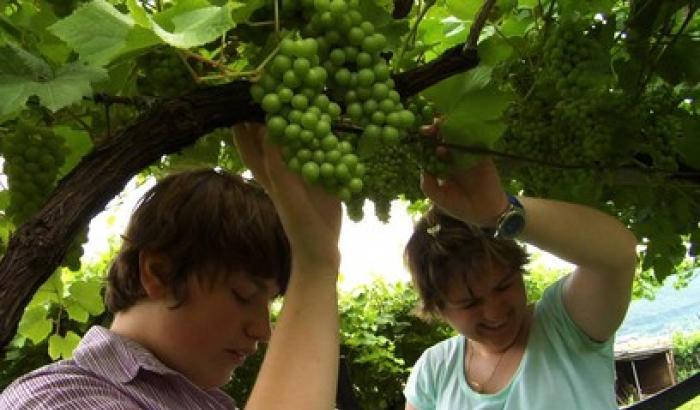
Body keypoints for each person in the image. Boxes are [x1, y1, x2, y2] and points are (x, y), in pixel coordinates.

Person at [0, 122, 342, 409]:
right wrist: (315, 267)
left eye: (270, 303)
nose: (263, 331)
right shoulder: (55, 400)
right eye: (243, 295)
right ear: (158, 273)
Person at [402, 123, 638, 409]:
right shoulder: (433, 369)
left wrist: (500, 211)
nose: (494, 311)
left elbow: (619, 255)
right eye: (469, 302)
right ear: (438, 307)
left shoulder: (564, 325)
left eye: (503, 285)